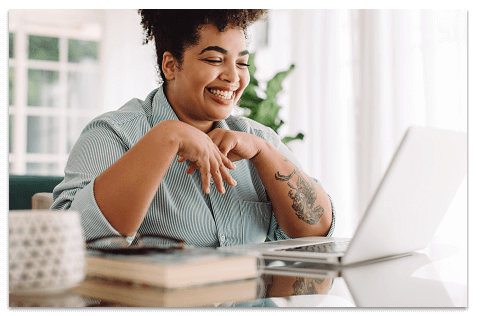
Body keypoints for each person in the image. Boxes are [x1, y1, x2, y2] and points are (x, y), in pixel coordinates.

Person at [51, 9, 335, 247]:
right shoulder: (111, 134)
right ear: (171, 65)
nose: (233, 77)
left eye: (242, 62)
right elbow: (70, 244)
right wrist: (166, 137)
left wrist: (264, 153)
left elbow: (317, 234)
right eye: (214, 60)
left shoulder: (256, 139)